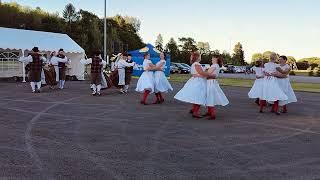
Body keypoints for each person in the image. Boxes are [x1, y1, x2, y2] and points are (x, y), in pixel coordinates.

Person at [174, 52, 212, 118]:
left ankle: (194, 110)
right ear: (197, 57)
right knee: (200, 97)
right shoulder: (197, 64)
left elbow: (197, 73)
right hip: (199, 82)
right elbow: (201, 72)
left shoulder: (194, 64)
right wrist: (209, 74)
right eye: (200, 56)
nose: (201, 57)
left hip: (195, 80)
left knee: (197, 96)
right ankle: (195, 112)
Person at [205, 54, 229, 120]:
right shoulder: (216, 65)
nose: (211, 59)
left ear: (216, 59)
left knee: (210, 97)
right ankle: (209, 112)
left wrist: (204, 71)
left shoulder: (214, 65)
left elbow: (208, 73)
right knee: (209, 96)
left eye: (213, 58)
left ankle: (212, 114)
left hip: (210, 82)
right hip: (211, 82)